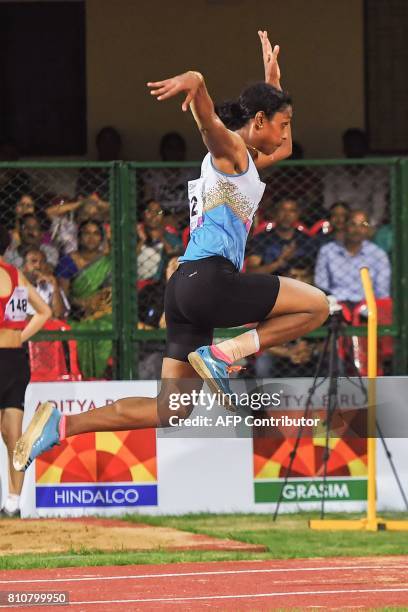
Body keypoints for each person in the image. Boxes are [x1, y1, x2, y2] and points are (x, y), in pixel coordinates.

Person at [13, 31, 328, 473]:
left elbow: (287, 146)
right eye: (281, 120)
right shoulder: (233, 152)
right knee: (316, 306)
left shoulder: (248, 163)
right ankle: (224, 354)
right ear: (258, 121)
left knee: (172, 409)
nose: (285, 132)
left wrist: (274, 84)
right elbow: (209, 127)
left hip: (184, 291)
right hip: (211, 283)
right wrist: (197, 84)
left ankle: (61, 424)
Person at [0, 225, 51, 516]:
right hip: (16, 359)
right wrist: (19, 337)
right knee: (13, 435)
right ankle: (13, 502)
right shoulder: (14, 274)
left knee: (9, 435)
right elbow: (44, 311)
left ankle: (11, 502)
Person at [56, 220, 112, 378]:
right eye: (87, 233)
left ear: (101, 238)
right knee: (75, 328)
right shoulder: (67, 262)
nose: (91, 238)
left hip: (101, 313)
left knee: (107, 325)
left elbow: (110, 294)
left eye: (96, 233)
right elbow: (63, 296)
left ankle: (101, 375)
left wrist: (97, 306)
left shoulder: (107, 263)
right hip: (75, 313)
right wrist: (82, 304)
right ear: (79, 237)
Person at [314, 209, 391, 303]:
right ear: (345, 226)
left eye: (363, 225)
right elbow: (322, 286)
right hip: (335, 304)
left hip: (367, 307)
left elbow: (382, 293)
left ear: (368, 229)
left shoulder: (378, 254)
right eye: (353, 224)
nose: (357, 230)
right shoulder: (327, 251)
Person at [322, 128, 388, 227]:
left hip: (367, 220)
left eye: (358, 145)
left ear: (365, 148)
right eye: (350, 145)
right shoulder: (334, 173)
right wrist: (338, 223)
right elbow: (329, 203)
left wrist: (370, 225)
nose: (354, 149)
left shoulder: (376, 173)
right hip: (341, 221)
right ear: (344, 148)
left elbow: (380, 204)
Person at [246, 198, 316, 276]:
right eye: (282, 210)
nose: (286, 215)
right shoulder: (261, 239)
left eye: (292, 211)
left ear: (298, 214)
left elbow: (315, 271)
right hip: (269, 285)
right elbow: (251, 272)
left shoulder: (306, 240)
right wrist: (280, 262)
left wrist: (300, 273)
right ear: (275, 213)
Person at [22, 248, 70, 319]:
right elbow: (18, 318)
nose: (38, 266)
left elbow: (60, 314)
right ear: (24, 266)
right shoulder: (16, 286)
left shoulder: (52, 286)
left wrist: (55, 286)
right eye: (33, 261)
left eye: (42, 262)